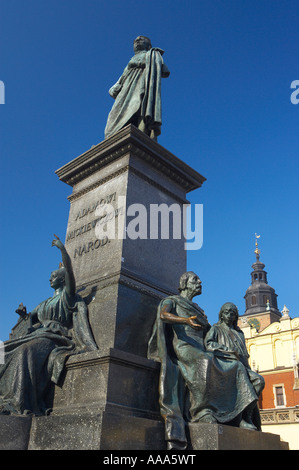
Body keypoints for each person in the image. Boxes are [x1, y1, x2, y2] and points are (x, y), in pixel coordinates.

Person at [148, 272, 265, 450]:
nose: (200, 281)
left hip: (201, 348)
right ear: (184, 284)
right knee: (206, 361)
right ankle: (202, 411)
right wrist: (185, 320)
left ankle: (236, 416)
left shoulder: (198, 309)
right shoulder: (172, 300)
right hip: (185, 347)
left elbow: (210, 336)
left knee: (236, 366)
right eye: (195, 279)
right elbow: (163, 316)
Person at [0, 235, 97, 416]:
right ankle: (2, 396)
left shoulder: (67, 297)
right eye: (50, 276)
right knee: (1, 350)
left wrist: (63, 250)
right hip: (37, 334)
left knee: (24, 352)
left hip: (54, 338)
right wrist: (24, 316)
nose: (50, 278)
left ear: (62, 279)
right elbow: (30, 320)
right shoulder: (44, 302)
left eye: (54, 276)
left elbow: (69, 271)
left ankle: (18, 402)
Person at [204, 302, 265, 430]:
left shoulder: (240, 333)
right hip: (224, 366)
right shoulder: (216, 329)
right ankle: (240, 419)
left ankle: (246, 415)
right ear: (221, 315)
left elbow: (244, 355)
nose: (229, 315)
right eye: (226, 312)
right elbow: (209, 344)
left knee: (259, 380)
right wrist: (226, 350)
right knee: (239, 369)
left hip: (242, 367)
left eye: (232, 313)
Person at [104, 36, 170, 141]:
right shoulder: (130, 60)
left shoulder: (152, 54)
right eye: (135, 40)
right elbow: (124, 75)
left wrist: (140, 62)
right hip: (126, 89)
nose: (137, 41)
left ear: (148, 46)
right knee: (113, 116)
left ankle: (141, 136)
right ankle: (111, 140)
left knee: (139, 108)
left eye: (141, 40)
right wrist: (116, 84)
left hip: (141, 86)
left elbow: (163, 70)